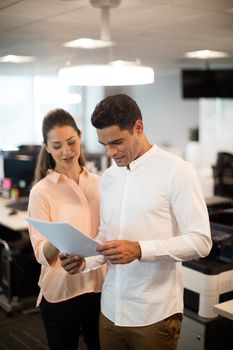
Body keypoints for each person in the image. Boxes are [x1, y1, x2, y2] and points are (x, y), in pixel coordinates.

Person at [60, 94, 212, 350]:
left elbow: (201, 241)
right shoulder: (108, 177)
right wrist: (85, 260)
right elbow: (106, 235)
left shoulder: (177, 171)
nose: (111, 152)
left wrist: (140, 249)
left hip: (154, 314)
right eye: (104, 144)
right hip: (110, 310)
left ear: (138, 127)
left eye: (117, 142)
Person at [27, 108, 106, 350]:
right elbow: (41, 253)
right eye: (57, 145)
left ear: (80, 136)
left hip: (100, 287)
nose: (66, 151)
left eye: (71, 142)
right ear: (47, 147)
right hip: (62, 292)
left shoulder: (100, 184)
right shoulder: (41, 192)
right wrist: (58, 237)